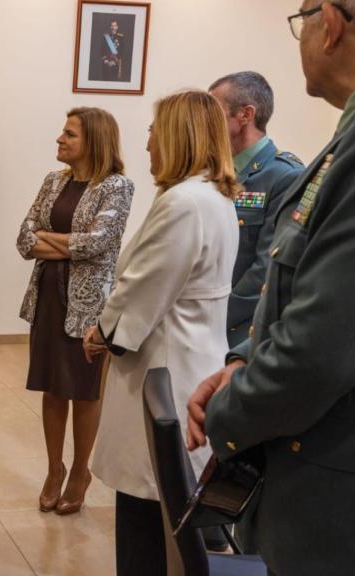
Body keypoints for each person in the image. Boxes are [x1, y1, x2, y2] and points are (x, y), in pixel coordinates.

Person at [187, 2, 355, 574]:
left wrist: (229, 413)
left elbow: (326, 352)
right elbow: (321, 285)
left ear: (329, 23)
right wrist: (246, 359)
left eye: (299, 18)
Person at [83, 91, 239, 575]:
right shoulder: (209, 195)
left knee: (147, 512)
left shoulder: (183, 203)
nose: (147, 140)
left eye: (153, 130)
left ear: (175, 136)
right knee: (172, 511)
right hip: (190, 358)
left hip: (163, 373)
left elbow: (142, 288)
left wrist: (102, 333)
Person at [16, 107, 134, 515]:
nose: (60, 139)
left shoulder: (117, 187)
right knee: (52, 387)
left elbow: (98, 244)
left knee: (84, 392)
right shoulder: (53, 181)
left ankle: (80, 471)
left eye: (69, 134)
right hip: (48, 295)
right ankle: (54, 469)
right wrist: (59, 241)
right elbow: (23, 239)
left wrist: (47, 239)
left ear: (94, 141)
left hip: (88, 305)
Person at [208, 71, 305, 348]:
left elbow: (267, 269)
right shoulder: (217, 173)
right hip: (205, 326)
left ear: (245, 115)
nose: (206, 124)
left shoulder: (285, 176)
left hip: (241, 332)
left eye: (214, 113)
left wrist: (213, 316)